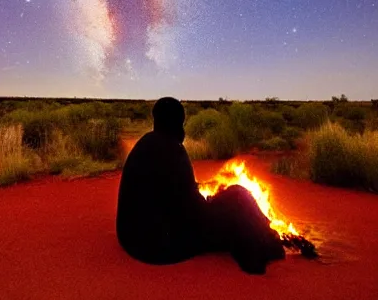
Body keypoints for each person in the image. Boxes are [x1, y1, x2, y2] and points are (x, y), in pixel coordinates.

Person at [116, 97, 285, 274]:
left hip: (130, 237)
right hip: (157, 247)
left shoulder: (145, 143)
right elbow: (193, 210)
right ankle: (259, 252)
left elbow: (166, 191)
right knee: (238, 197)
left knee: (231, 199)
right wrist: (217, 203)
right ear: (176, 122)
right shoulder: (174, 150)